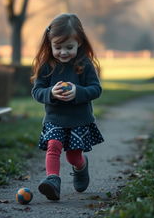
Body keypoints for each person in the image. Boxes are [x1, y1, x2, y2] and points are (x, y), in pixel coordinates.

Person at [31, 13, 104, 201]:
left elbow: (96, 89)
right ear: (50, 44)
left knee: (73, 157)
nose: (63, 52)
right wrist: (50, 94)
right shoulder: (47, 65)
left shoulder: (84, 64)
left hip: (78, 120)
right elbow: (37, 91)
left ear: (79, 42)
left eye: (69, 47)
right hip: (55, 118)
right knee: (53, 146)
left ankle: (81, 166)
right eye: (58, 47)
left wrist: (77, 92)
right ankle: (53, 181)